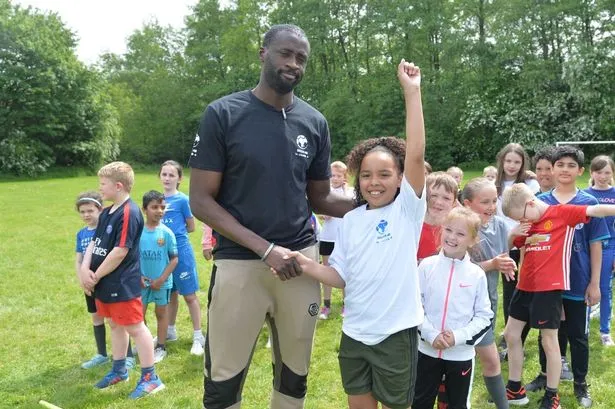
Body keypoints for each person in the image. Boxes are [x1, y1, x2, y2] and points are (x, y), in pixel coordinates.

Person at [188, 24, 354, 409]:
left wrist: (378, 203)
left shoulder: (314, 122)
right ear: (264, 53)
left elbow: (321, 198)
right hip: (241, 264)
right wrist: (266, 250)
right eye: (285, 53)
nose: (293, 64)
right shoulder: (223, 114)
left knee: (295, 377)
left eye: (301, 58)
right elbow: (201, 200)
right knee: (222, 382)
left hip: (300, 264)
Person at [276, 59, 426, 409]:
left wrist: (412, 93)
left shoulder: (407, 211)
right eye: (367, 175)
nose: (374, 182)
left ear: (401, 178)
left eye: (385, 174)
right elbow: (340, 276)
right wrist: (301, 262)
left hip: (395, 334)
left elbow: (416, 154)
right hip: (354, 333)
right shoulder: (352, 219)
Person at [501, 181, 615, 409]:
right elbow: (512, 247)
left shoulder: (561, 213)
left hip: (548, 290)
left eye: (521, 216)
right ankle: (515, 389)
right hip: (525, 288)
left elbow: (595, 210)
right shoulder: (527, 224)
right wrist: (513, 234)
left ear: (531, 203)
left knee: (549, 341)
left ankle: (552, 396)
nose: (522, 222)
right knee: (511, 334)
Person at [80, 161, 164, 399]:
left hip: (122, 283)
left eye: (102, 184)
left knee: (135, 327)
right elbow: (94, 243)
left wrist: (95, 276)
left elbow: (120, 251)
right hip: (104, 283)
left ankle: (151, 378)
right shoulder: (106, 212)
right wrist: (86, 269)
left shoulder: (130, 212)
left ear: (118, 185)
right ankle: (119, 370)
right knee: (115, 325)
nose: (100, 188)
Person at [413, 207, 493, 409]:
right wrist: (431, 334)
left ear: (472, 240)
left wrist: (458, 337)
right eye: (448, 230)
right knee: (420, 403)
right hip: (426, 352)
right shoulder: (426, 266)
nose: (452, 237)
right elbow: (414, 306)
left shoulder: (476, 275)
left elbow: (484, 317)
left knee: (457, 405)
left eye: (460, 233)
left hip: (460, 356)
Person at [462, 177, 523, 409]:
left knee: (489, 358)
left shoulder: (498, 225)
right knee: (462, 360)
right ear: (468, 204)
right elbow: (456, 270)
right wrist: (492, 264)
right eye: (484, 202)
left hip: (486, 302)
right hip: (462, 304)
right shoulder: (462, 227)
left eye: (494, 201)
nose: (491, 206)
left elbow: (503, 255)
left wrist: (506, 265)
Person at [494, 143, 539, 355]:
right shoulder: (494, 184)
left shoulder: (530, 183)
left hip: (528, 244)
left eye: (517, 162)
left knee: (527, 288)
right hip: (506, 245)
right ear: (502, 161)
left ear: (523, 164)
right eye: (508, 161)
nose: (512, 165)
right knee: (510, 290)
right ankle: (509, 334)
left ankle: (524, 333)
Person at [159, 160, 205, 356]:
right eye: (164, 174)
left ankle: (198, 336)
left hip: (181, 252)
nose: (167, 178)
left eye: (171, 175)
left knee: (189, 295)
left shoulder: (183, 200)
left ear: (179, 179)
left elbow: (191, 227)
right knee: (170, 294)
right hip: (163, 253)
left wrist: (175, 238)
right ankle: (170, 331)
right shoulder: (158, 200)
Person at [139, 190, 178, 364]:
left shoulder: (167, 233)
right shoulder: (137, 232)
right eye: (154, 207)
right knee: (139, 315)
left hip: (162, 283)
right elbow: (130, 257)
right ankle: (145, 343)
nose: (159, 211)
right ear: (144, 209)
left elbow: (174, 258)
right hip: (141, 282)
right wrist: (138, 276)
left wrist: (162, 279)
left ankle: (161, 346)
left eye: (162, 207)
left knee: (161, 313)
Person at [75, 191, 111, 369]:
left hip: (105, 280)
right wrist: (82, 280)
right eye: (82, 212)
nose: (86, 215)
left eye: (90, 210)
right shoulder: (81, 234)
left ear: (100, 210)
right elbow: (79, 259)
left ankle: (126, 355)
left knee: (115, 320)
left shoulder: (106, 230)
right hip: (89, 285)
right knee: (96, 318)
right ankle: (101, 354)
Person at [585, 155, 615, 346]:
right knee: (584, 288)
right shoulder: (585, 194)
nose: (603, 176)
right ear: (591, 173)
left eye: (607, 172)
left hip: (608, 247)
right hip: (586, 248)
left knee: (604, 289)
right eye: (599, 172)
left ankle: (605, 331)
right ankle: (583, 327)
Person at [319, 160, 353, 319]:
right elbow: (322, 213)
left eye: (339, 175)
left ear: (345, 177)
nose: (335, 178)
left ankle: (346, 305)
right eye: (332, 175)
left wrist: (345, 189)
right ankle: (326, 306)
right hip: (327, 238)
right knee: (326, 270)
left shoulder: (350, 192)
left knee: (344, 271)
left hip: (344, 239)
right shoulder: (326, 192)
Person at [417, 172, 458, 263]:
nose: (439, 202)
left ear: (454, 203)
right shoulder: (414, 228)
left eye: (446, 198)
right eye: (433, 196)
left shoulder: (454, 231)